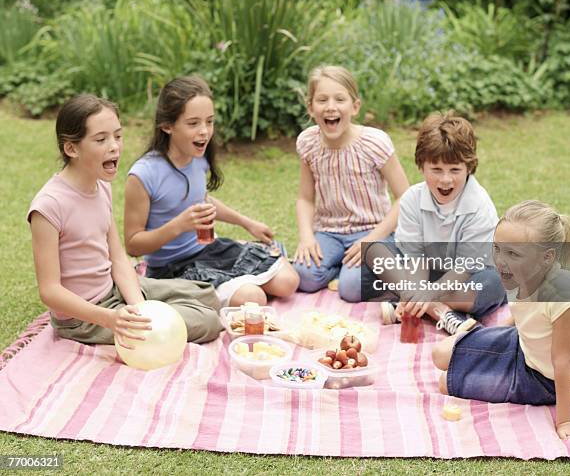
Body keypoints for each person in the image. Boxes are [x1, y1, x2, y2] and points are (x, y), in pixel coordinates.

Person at [28, 94, 222, 349]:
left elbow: (118, 257)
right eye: (101, 139)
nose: (114, 147)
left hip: (116, 289)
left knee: (207, 296)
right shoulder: (48, 206)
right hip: (85, 317)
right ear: (71, 148)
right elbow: (50, 291)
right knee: (207, 322)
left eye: (117, 136)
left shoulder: (101, 186)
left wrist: (138, 308)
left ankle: (153, 310)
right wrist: (111, 319)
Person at [124, 75, 299, 307]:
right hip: (172, 268)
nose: (205, 131)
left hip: (210, 250)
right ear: (167, 126)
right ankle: (230, 289)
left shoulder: (197, 157)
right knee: (253, 298)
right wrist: (180, 225)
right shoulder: (144, 175)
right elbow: (133, 244)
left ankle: (232, 284)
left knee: (289, 281)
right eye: (193, 123)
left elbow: (202, 199)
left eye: (209, 121)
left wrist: (247, 223)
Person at [432, 200, 570, 440]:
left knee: (444, 383)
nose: (500, 260)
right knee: (439, 354)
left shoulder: (563, 294)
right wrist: (491, 337)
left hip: (543, 378)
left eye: (512, 253)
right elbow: (524, 311)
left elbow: (563, 360)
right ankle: (473, 335)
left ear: (547, 257)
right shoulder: (517, 272)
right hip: (520, 344)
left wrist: (565, 421)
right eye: (498, 249)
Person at [379, 112, 506, 333]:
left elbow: (465, 268)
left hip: (466, 276)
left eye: (455, 170)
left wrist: (424, 293)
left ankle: (409, 303)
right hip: (428, 275)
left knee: (493, 285)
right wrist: (423, 291)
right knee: (377, 252)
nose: (445, 179)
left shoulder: (479, 205)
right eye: (436, 170)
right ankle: (440, 311)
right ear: (421, 166)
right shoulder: (411, 199)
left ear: (469, 168)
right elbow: (415, 258)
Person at [294, 65, 410, 302]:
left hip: (374, 231)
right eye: (322, 100)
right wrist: (307, 237)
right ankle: (340, 265)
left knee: (351, 289)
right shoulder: (308, 143)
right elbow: (305, 198)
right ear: (310, 107)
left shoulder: (374, 143)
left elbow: (405, 196)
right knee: (303, 277)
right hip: (329, 232)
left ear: (355, 106)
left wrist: (372, 239)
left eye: (340, 99)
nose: (330, 107)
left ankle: (391, 263)